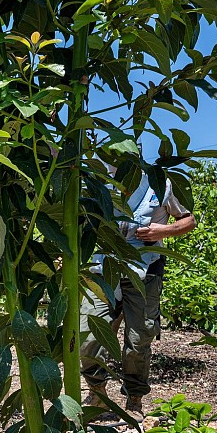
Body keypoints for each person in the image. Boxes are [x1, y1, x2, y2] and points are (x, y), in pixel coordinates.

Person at [81, 173, 196, 414]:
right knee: (88, 332)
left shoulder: (160, 184)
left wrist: (163, 231)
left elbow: (189, 220)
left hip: (146, 271)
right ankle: (97, 392)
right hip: (103, 268)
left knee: (138, 340)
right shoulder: (98, 179)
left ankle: (134, 399)